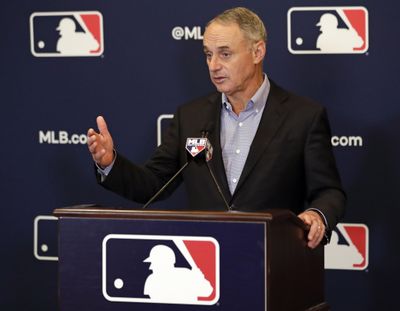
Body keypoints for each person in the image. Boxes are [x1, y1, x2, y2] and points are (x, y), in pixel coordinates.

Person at [87, 7, 345, 249]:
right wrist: (110, 162)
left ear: (258, 52)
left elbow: (328, 191)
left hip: (275, 260)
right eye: (208, 54)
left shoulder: (303, 116)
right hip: (206, 262)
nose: (213, 66)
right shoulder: (191, 116)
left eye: (225, 53)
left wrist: (317, 214)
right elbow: (154, 184)